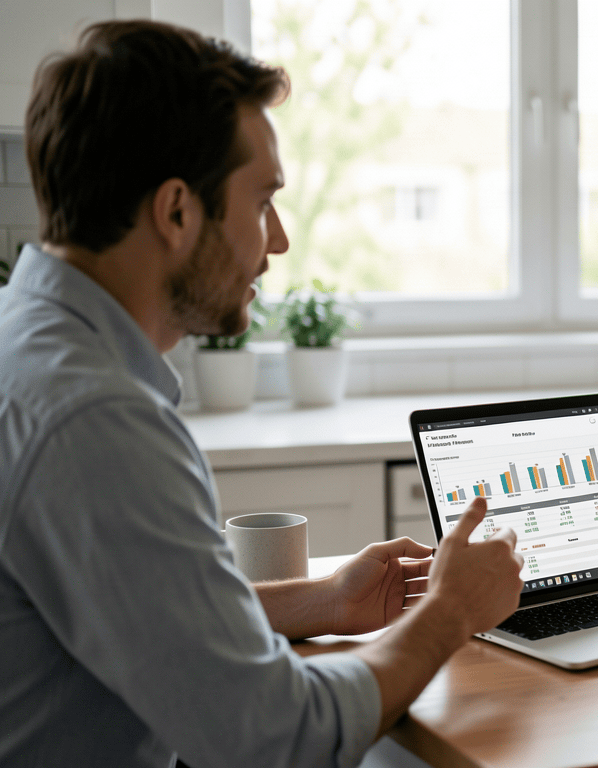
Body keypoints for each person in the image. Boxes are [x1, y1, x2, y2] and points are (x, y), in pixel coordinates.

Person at [0, 20, 524, 768]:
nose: (276, 240)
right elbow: (276, 737)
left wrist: (328, 600)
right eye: (261, 202)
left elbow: (149, 617)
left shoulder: (28, 342)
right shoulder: (95, 419)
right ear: (177, 212)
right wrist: (450, 611)